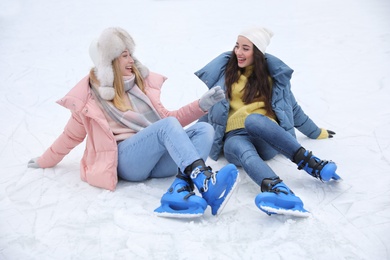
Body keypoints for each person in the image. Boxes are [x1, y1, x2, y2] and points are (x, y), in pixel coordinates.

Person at [27, 27, 239, 218]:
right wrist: (45, 160)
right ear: (108, 62)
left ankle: (179, 189)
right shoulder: (90, 99)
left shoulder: (141, 87)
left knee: (204, 128)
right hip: (126, 162)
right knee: (167, 127)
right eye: (124, 55)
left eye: (131, 54)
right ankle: (204, 182)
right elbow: (70, 136)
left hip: (155, 159)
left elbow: (168, 122)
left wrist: (201, 105)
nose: (131, 60)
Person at [195, 27, 341, 217]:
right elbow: (209, 111)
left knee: (254, 120)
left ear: (258, 52)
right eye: (237, 46)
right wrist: (189, 135)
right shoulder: (224, 76)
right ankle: (279, 191)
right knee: (241, 147)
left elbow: (293, 110)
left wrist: (315, 132)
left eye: (245, 48)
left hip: (266, 135)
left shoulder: (273, 78)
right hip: (234, 138)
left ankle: (311, 163)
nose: (238, 52)